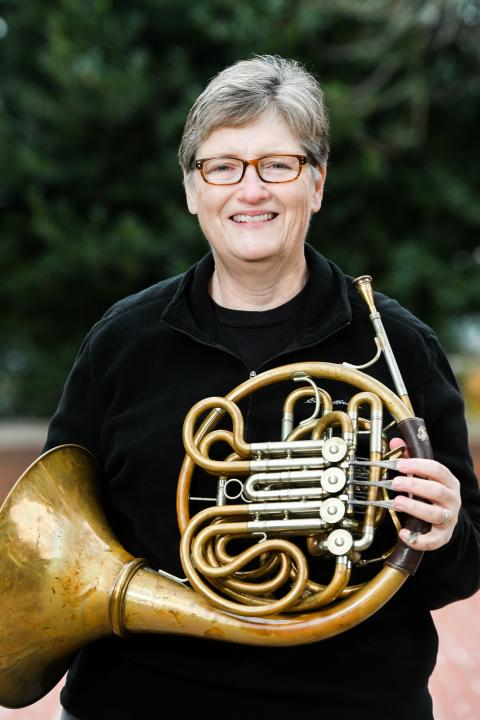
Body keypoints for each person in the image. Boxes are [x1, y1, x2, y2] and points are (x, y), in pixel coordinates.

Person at [43, 55, 480, 720]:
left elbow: (464, 566)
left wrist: (444, 530)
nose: (251, 190)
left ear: (318, 183)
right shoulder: (122, 343)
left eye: (278, 164)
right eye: (223, 166)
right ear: (193, 189)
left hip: (348, 705)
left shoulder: (394, 347)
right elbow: (56, 537)